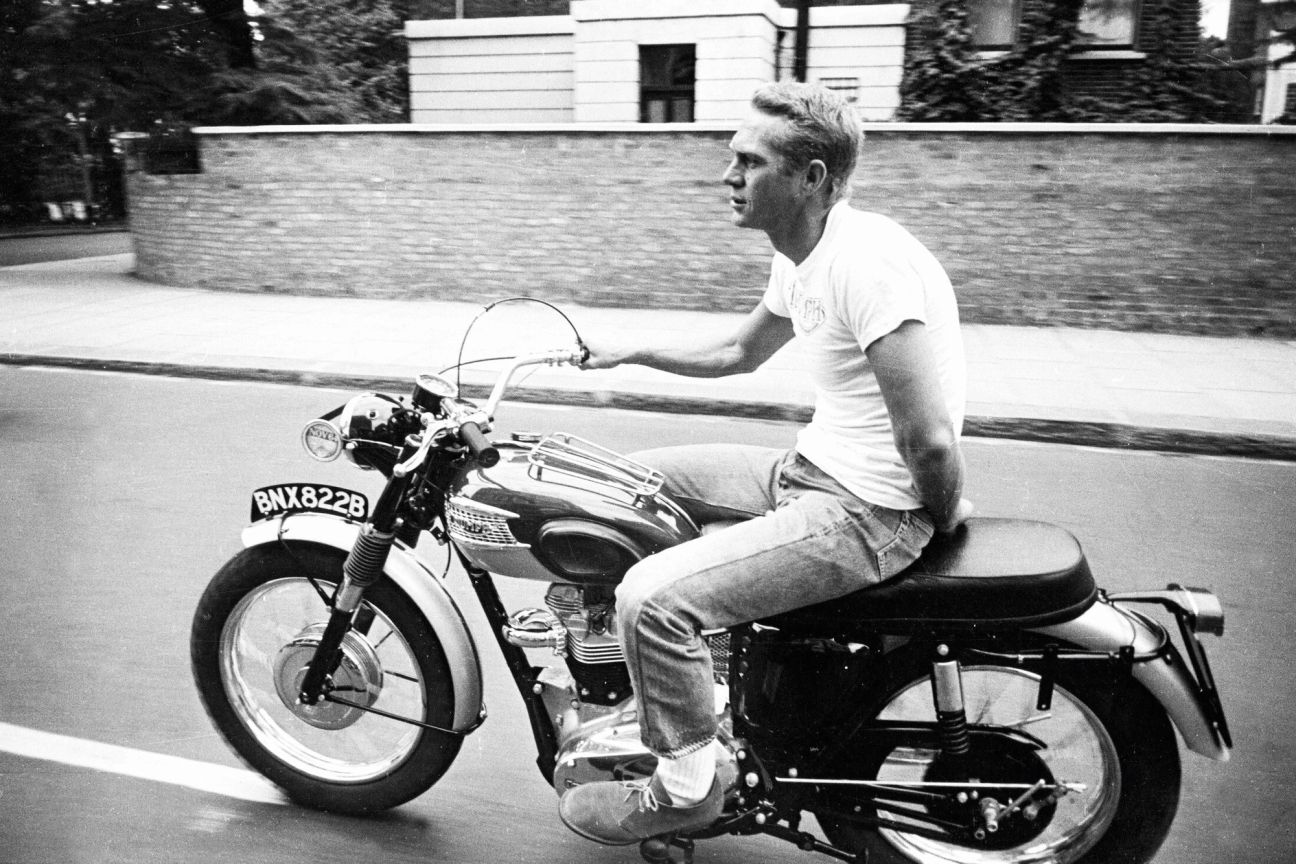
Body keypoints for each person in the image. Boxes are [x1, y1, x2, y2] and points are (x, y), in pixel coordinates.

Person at [559, 81, 971, 846]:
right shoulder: (804, 254)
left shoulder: (867, 266)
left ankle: (687, 785)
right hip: (812, 468)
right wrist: (629, 350)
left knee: (652, 599)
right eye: (733, 158)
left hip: (868, 511)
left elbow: (931, 441)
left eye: (749, 162)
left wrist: (945, 517)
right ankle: (673, 684)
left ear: (811, 179)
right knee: (609, 488)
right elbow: (737, 352)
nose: (728, 175)